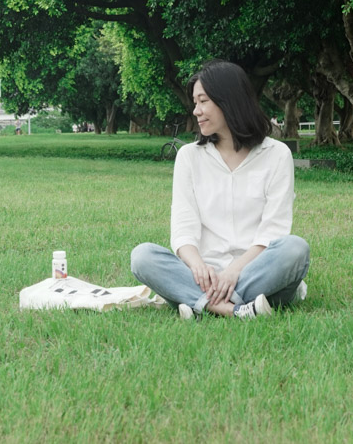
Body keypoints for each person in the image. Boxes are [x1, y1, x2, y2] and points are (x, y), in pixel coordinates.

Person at [131, 60, 310, 320]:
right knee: (143, 256)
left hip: (259, 272)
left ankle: (197, 303)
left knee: (295, 249)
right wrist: (198, 266)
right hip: (205, 275)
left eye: (203, 101)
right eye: (195, 103)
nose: (196, 111)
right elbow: (183, 227)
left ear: (229, 101)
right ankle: (236, 310)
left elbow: (274, 230)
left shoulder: (276, 155)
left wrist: (235, 271)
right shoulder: (189, 157)